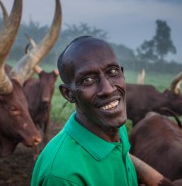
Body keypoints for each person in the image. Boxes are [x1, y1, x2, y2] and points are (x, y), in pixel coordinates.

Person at [31, 36, 138, 186]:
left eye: (112, 71)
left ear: (122, 72)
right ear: (68, 94)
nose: (108, 89)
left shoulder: (117, 129)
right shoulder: (63, 176)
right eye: (88, 80)